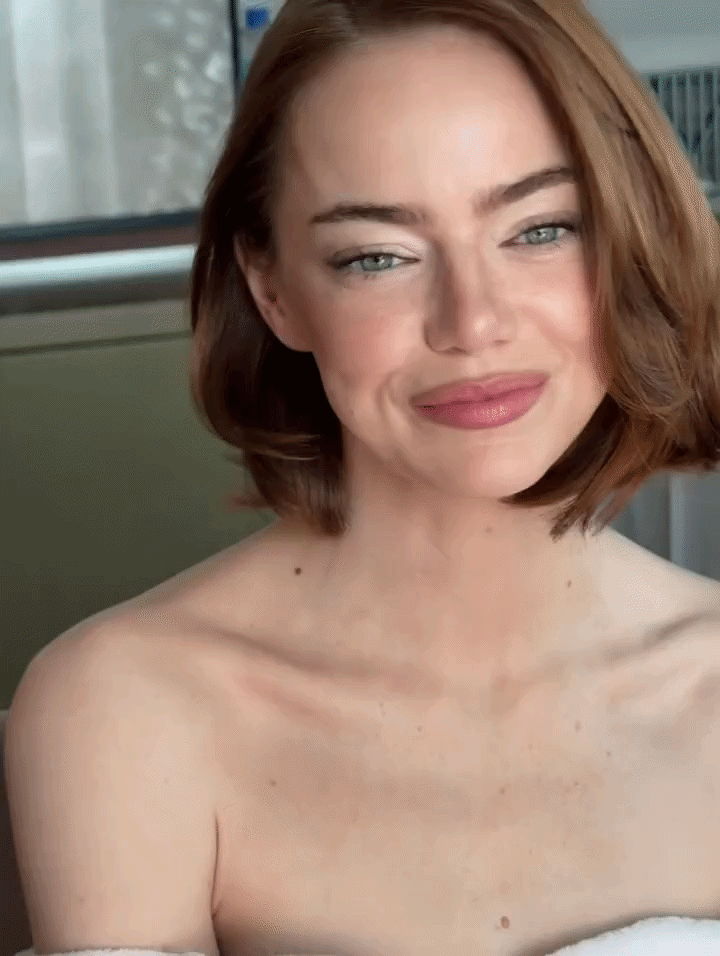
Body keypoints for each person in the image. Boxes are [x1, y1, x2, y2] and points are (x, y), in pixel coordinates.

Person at [5, 1, 720, 955]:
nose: (473, 322)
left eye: (540, 230)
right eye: (378, 256)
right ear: (273, 290)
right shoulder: (126, 709)